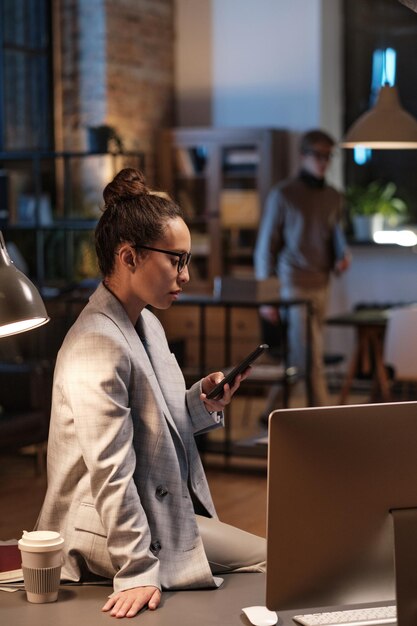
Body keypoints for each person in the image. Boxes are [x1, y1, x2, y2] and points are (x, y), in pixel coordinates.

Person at [36, 168, 266, 618]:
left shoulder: (147, 323)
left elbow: (154, 422)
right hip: (101, 530)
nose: (186, 273)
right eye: (176, 259)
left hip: (155, 506)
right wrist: (138, 569)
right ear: (129, 257)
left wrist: (201, 403)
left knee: (265, 555)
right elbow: (110, 472)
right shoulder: (96, 344)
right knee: (270, 558)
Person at [254, 129, 350, 408]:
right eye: (318, 155)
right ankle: (323, 417)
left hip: (322, 281)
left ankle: (270, 410)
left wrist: (342, 258)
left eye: (328, 156)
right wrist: (266, 296)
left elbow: (335, 237)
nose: (323, 162)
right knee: (312, 354)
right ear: (303, 156)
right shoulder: (284, 194)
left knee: (300, 355)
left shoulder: (333, 196)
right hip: (292, 284)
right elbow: (265, 248)